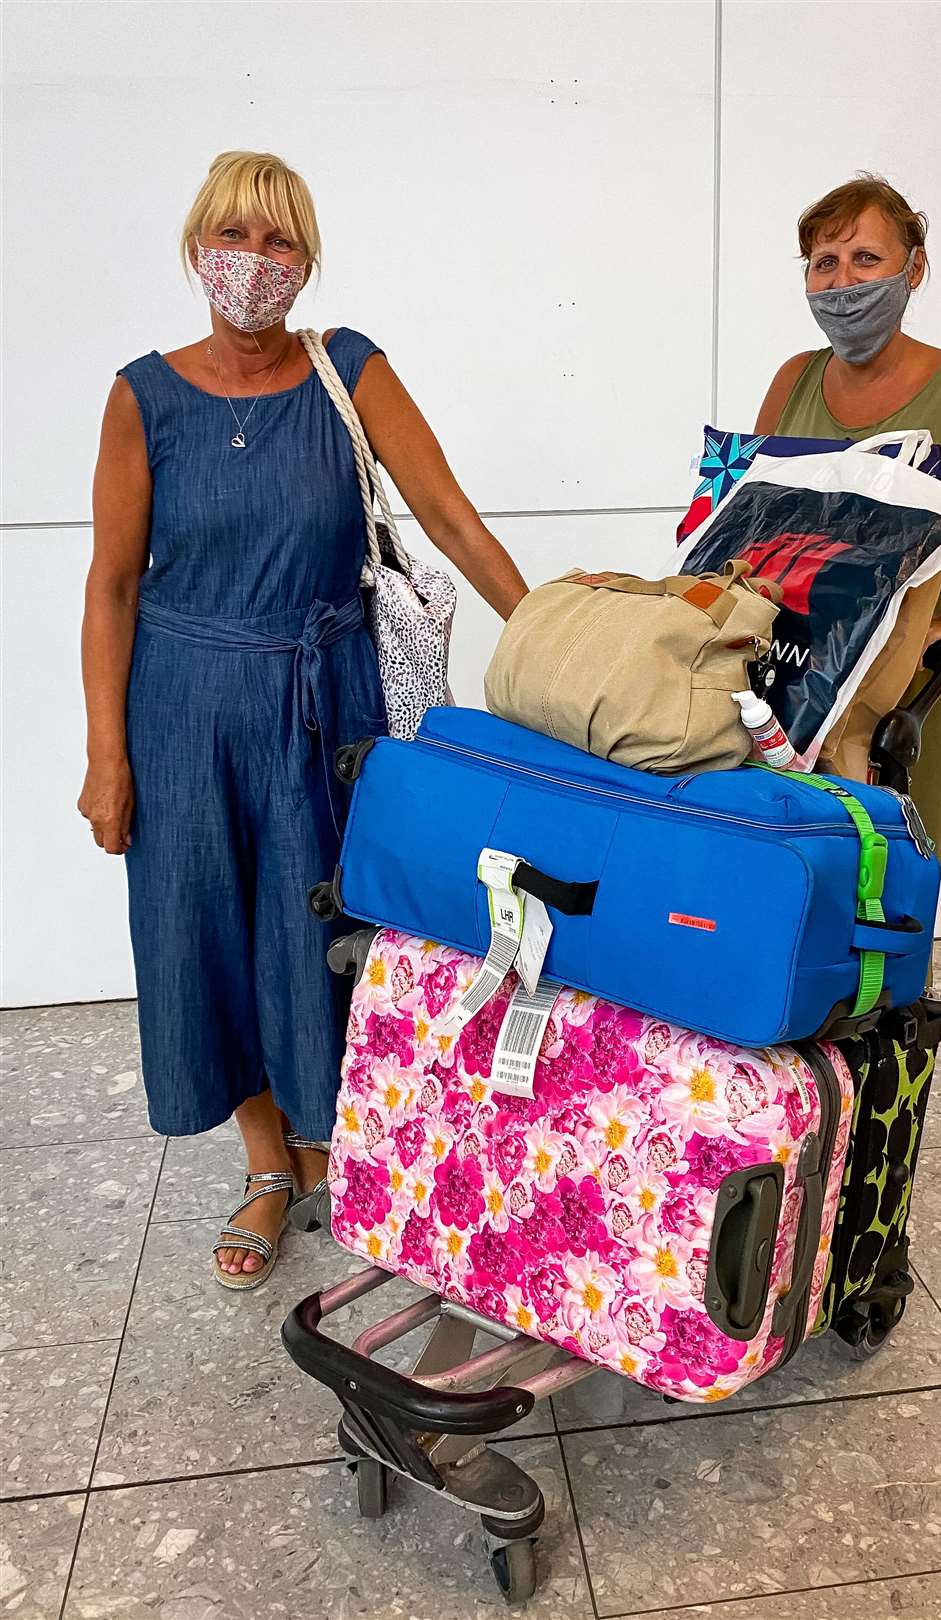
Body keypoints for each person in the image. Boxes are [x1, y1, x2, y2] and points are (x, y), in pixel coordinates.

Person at [79, 151, 528, 1290]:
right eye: (235, 235)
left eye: (280, 241)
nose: (255, 261)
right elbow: (113, 586)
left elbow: (453, 522)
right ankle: (271, 1166)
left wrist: (554, 638)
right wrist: (105, 754)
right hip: (184, 711)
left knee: (336, 926)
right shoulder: (144, 396)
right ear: (197, 249)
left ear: (307, 261)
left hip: (329, 707)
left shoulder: (350, 369)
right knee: (205, 934)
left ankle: (346, 1149)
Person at [755, 173, 941, 855]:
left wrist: (938, 633)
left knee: (883, 877)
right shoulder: (792, 379)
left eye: (866, 259)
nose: (842, 281)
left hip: (900, 670)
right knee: (780, 859)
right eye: (823, 263)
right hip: (788, 657)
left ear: (914, 268)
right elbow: (755, 527)